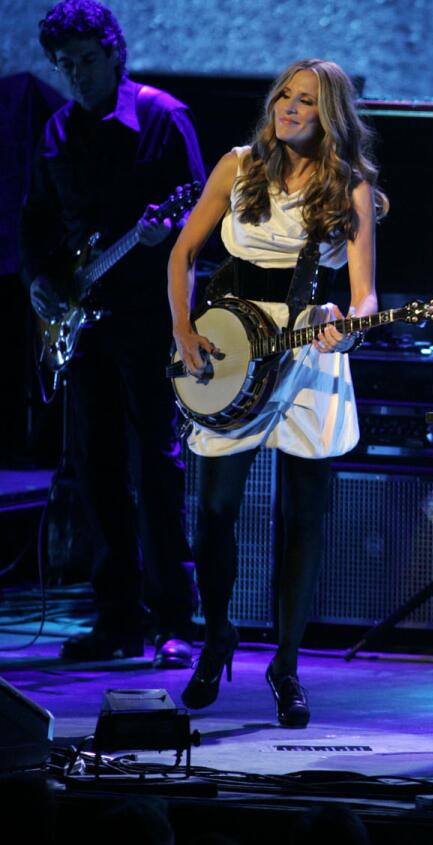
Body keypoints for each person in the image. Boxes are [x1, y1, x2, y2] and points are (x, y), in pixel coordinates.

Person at [167, 58, 387, 727]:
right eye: (286, 96)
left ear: (331, 117)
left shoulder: (348, 186)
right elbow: (181, 253)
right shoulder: (237, 165)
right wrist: (182, 331)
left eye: (308, 102)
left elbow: (364, 294)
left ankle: (286, 663)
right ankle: (219, 632)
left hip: (307, 355)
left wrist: (342, 330)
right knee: (215, 509)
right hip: (231, 344)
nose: (290, 108)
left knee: (304, 517)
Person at [20, 0, 204, 668]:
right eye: (64, 64)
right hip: (84, 320)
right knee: (94, 470)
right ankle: (117, 617)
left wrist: (163, 239)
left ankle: (175, 619)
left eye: (87, 61)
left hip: (148, 317)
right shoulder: (57, 130)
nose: (76, 75)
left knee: (155, 467)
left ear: (115, 55)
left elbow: (201, 215)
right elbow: (36, 220)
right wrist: (37, 278)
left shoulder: (163, 118)